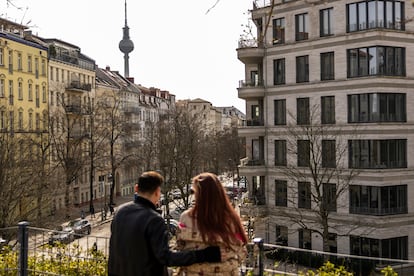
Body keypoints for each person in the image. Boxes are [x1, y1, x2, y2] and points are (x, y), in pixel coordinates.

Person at [108, 171, 221, 276]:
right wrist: (204, 255)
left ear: (136, 188)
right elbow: (166, 258)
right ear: (158, 192)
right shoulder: (154, 219)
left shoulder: (120, 212)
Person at [176, 172, 248, 275]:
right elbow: (241, 251)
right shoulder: (231, 219)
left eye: (194, 192)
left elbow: (180, 248)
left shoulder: (186, 218)